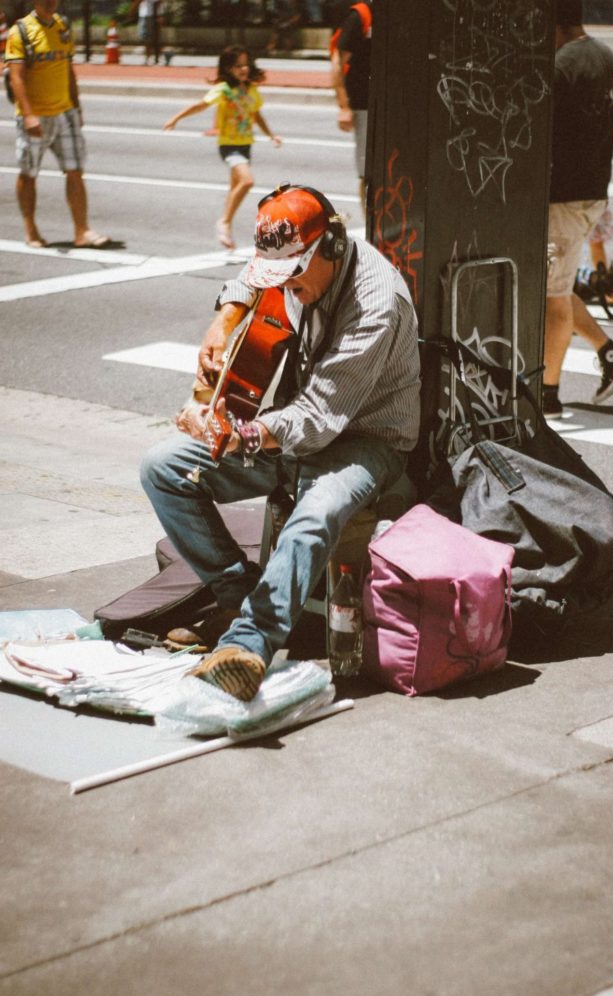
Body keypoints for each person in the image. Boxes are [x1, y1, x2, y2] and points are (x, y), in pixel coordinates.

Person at [140, 184, 421, 700]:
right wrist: (224, 322)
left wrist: (245, 434)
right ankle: (240, 595)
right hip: (289, 429)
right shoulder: (288, 261)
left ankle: (248, 644)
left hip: (364, 439)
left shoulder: (377, 302)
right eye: (278, 276)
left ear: (329, 249)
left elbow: (319, 418)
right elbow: (251, 277)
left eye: (294, 275)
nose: (285, 286)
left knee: (314, 515)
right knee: (162, 468)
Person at [543, 0, 613, 419]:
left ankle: (548, 395)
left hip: (563, 193)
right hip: (593, 187)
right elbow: (612, 121)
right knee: (553, 287)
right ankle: (608, 350)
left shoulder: (559, 65)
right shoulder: (608, 59)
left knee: (555, 296)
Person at [4, 0, 110, 249]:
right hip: (35, 115)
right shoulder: (20, 31)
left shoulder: (63, 26)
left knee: (75, 170)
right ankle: (31, 230)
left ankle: (82, 231)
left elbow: (68, 70)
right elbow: (16, 78)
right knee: (29, 173)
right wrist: (28, 115)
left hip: (65, 113)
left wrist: (76, 106)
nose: (51, 3)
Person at [163, 46, 281, 250]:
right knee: (247, 181)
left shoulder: (251, 90)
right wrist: (176, 118)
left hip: (245, 145)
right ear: (228, 68)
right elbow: (201, 105)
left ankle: (226, 229)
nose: (243, 69)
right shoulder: (224, 90)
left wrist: (270, 135)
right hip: (229, 145)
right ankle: (224, 222)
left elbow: (256, 115)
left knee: (234, 188)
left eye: (246, 64)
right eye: (238, 66)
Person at [330, 0, 372, 212]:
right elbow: (338, 60)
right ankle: (370, 228)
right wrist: (344, 105)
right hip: (362, 103)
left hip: (386, 103)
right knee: (368, 173)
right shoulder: (361, 15)